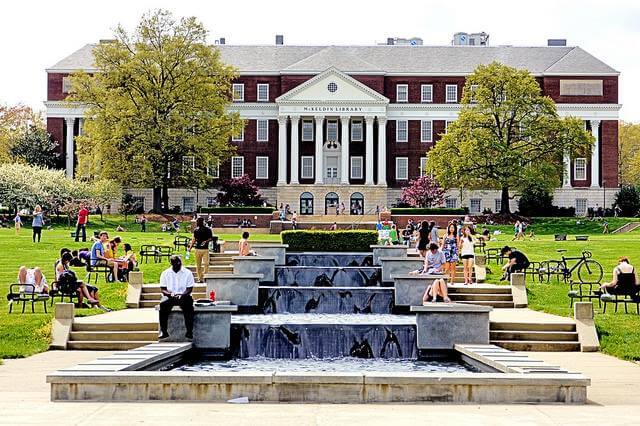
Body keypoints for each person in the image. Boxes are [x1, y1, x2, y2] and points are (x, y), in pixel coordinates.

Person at [158, 256, 195, 340]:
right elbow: (163, 289)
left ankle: (189, 331)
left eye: (179, 262)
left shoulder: (187, 273)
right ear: (171, 264)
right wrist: (170, 294)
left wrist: (182, 295)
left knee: (189, 307)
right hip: (170, 296)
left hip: (184, 296)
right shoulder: (165, 273)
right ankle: (164, 331)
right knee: (163, 305)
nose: (178, 265)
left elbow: (189, 289)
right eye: (176, 263)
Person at [189, 217, 213, 283]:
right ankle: (200, 279)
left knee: (206, 264)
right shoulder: (196, 230)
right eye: (197, 221)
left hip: (205, 249)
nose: (197, 223)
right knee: (198, 265)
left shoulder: (208, 229)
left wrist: (206, 241)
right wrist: (190, 248)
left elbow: (211, 238)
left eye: (198, 221)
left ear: (202, 222)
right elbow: (194, 240)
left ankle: (205, 276)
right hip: (197, 249)